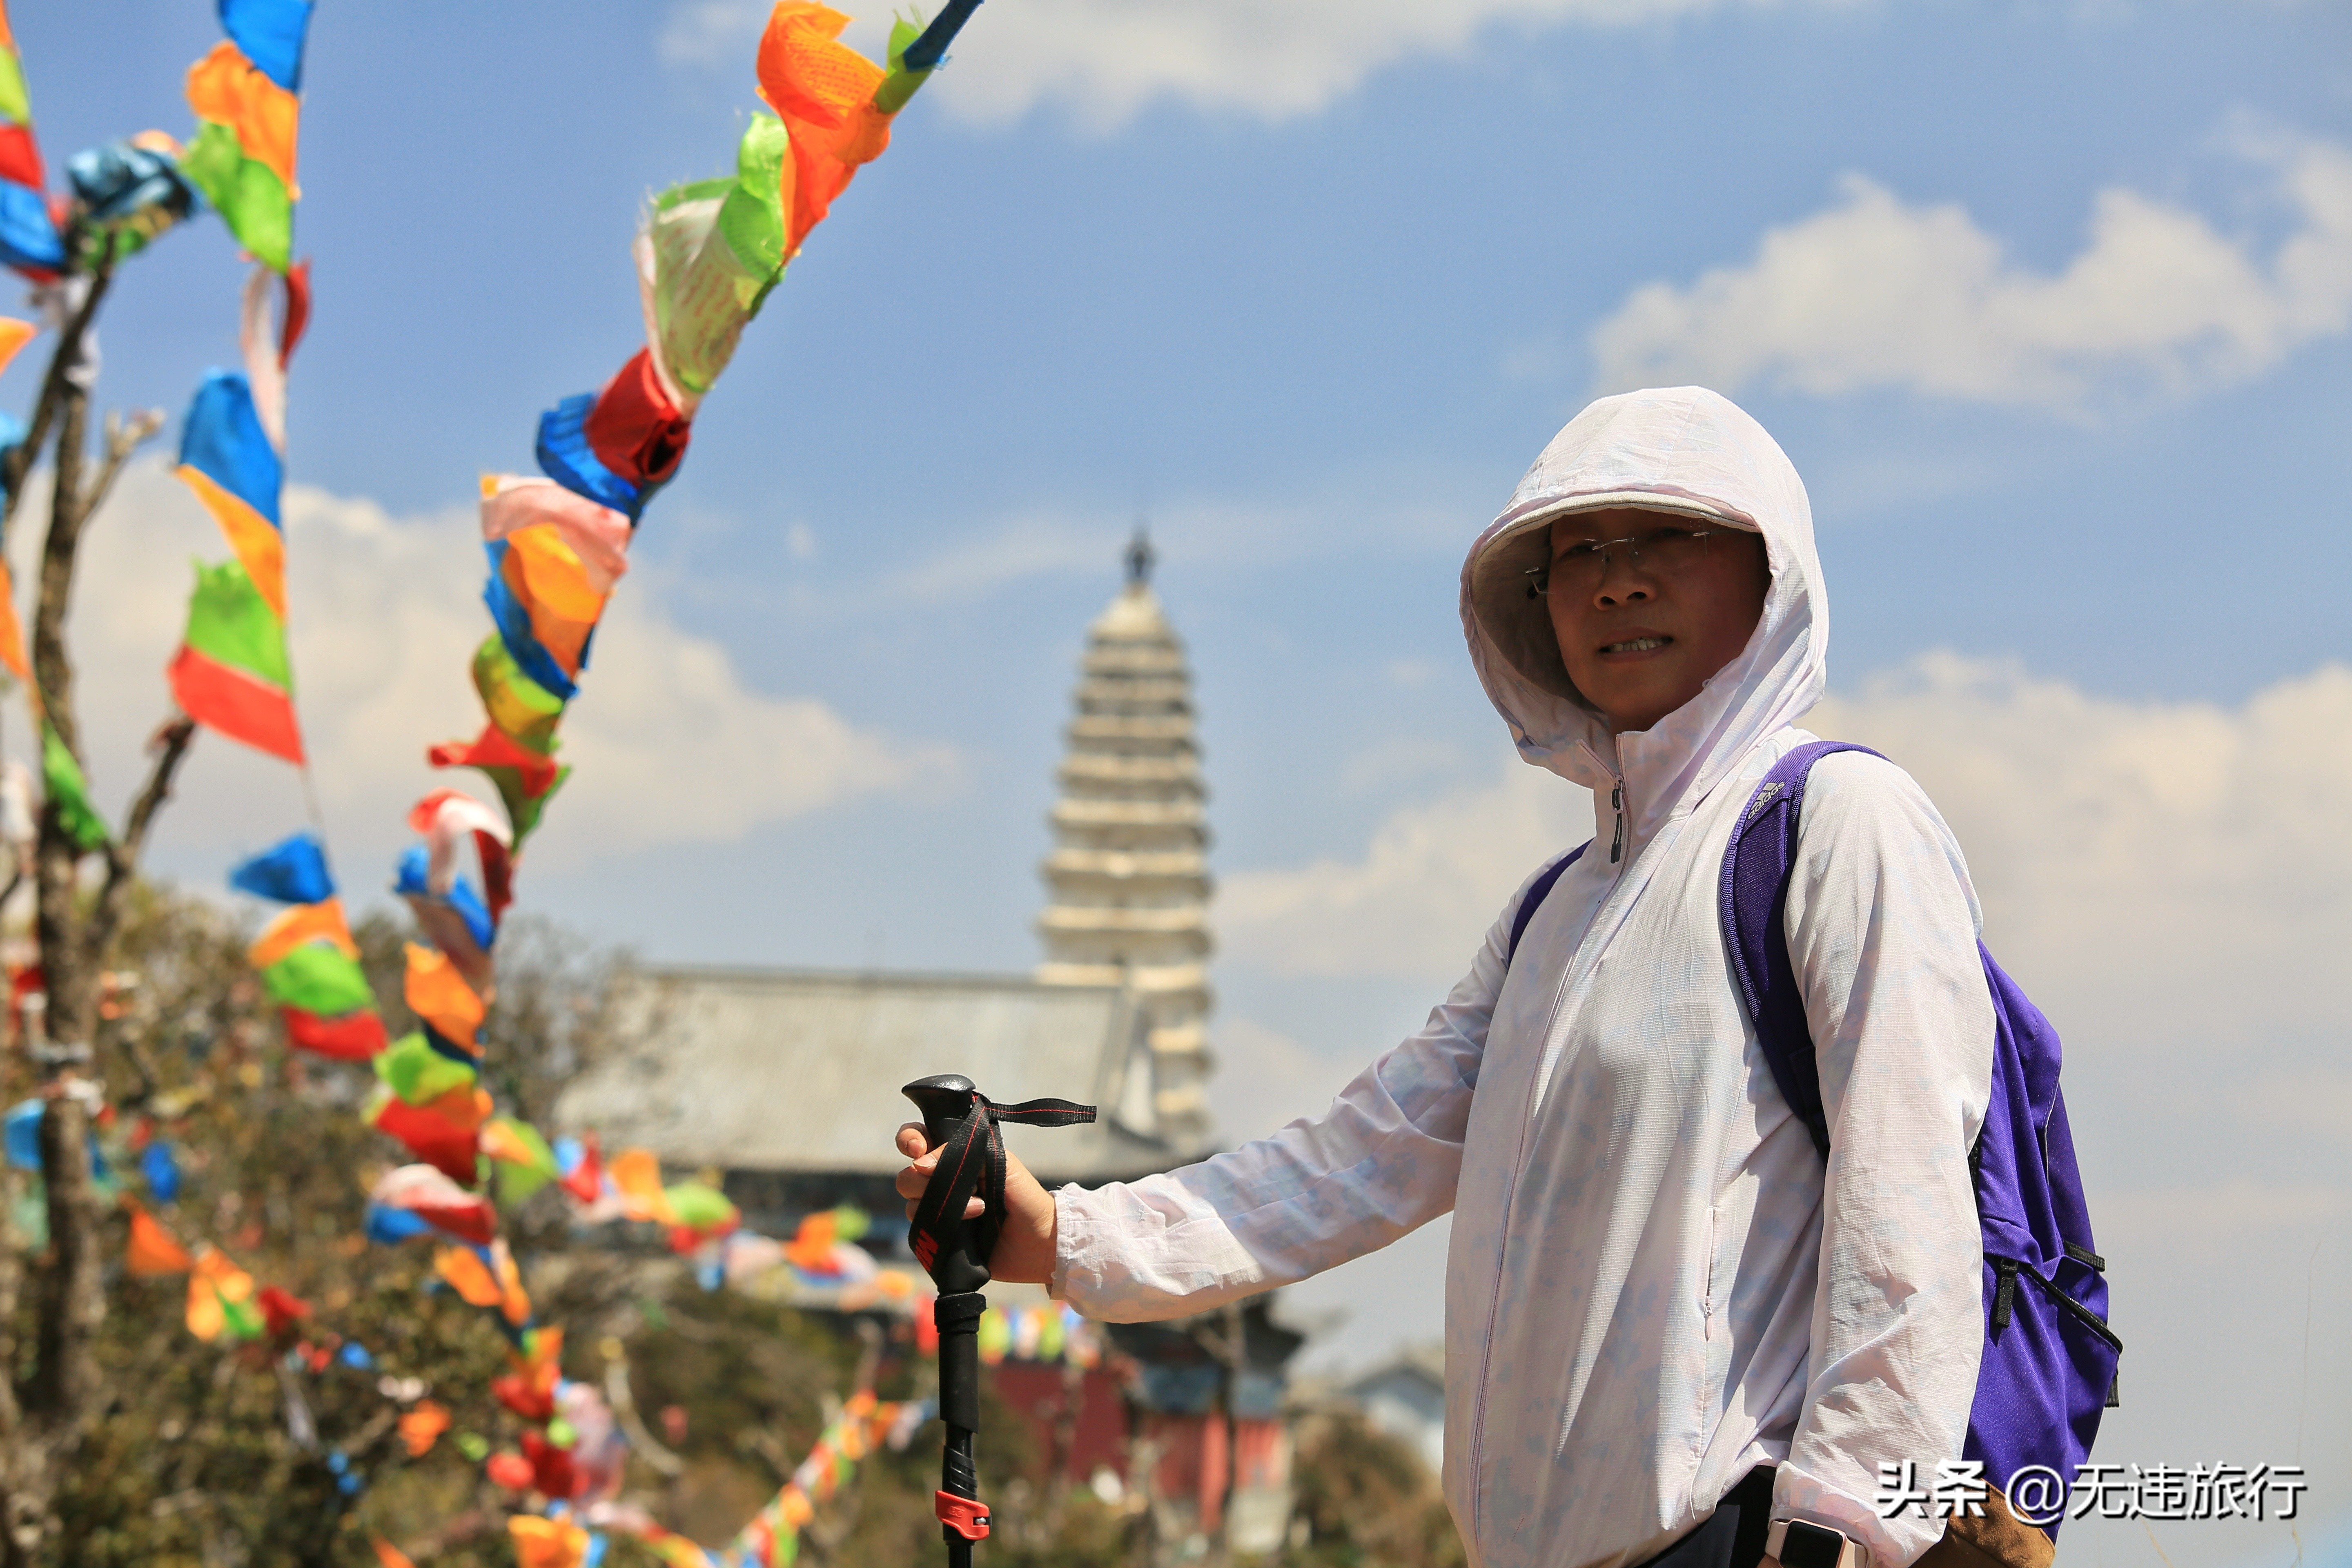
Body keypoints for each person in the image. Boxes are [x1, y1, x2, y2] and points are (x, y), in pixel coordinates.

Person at [896, 387, 1992, 1568]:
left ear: (1771, 571)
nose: (1618, 583)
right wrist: (1067, 1238)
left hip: (1736, 1539)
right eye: (1578, 555)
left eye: (1668, 536)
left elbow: (1911, 1218)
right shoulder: (1551, 916)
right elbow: (1355, 1160)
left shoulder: (1836, 824)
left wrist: (1849, 1534)